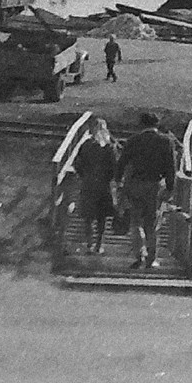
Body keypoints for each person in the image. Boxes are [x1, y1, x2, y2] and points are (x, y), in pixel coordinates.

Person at [118, 112, 180, 270]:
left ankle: (139, 255)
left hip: (135, 185)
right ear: (156, 125)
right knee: (152, 223)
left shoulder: (133, 141)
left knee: (136, 222)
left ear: (141, 125)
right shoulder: (166, 142)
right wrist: (171, 188)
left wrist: (118, 182)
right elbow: (171, 168)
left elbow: (121, 163)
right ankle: (151, 259)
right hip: (154, 186)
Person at [73, 117, 121, 255]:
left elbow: (78, 163)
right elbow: (114, 166)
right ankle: (99, 244)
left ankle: (89, 242)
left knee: (88, 215)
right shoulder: (109, 147)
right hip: (103, 185)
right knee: (102, 216)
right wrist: (110, 179)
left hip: (88, 183)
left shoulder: (86, 145)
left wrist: (83, 175)